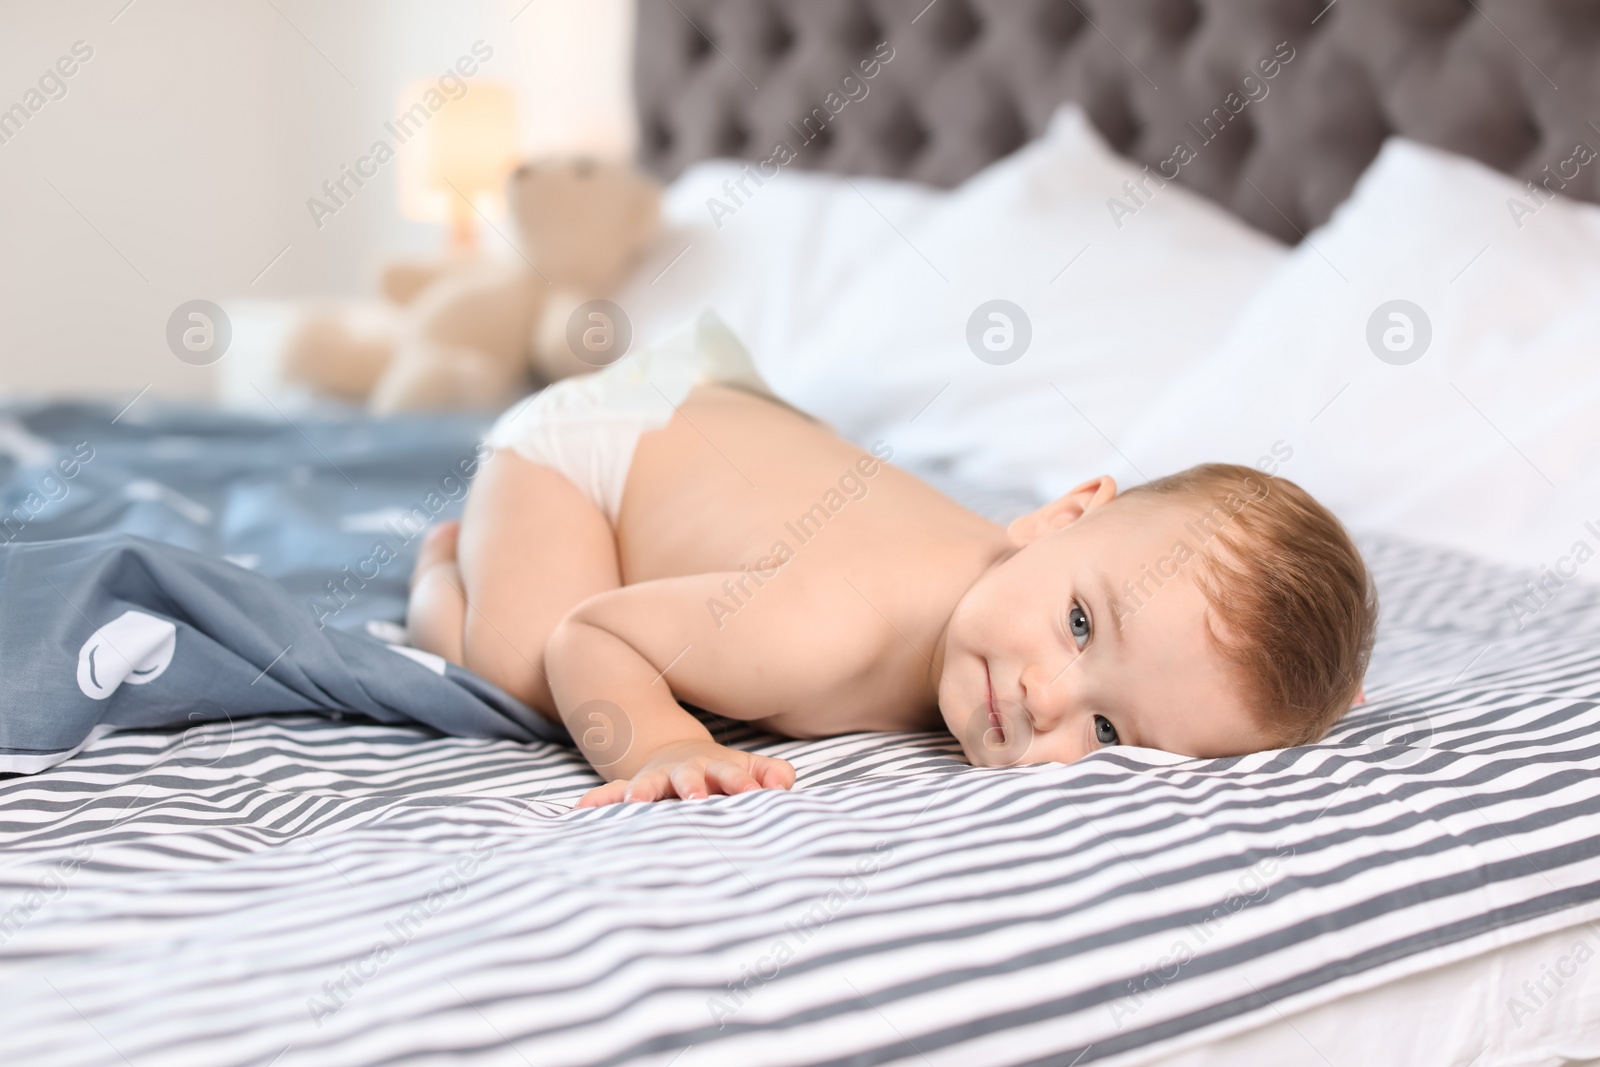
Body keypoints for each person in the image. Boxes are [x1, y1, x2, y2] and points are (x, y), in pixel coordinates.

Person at [407, 313, 1376, 807]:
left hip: (740, 425)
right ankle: (439, 565)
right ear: (1061, 514)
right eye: (1080, 624)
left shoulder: (1024, 586)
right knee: (527, 667)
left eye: (1111, 731)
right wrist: (664, 745)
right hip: (603, 440)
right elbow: (596, 631)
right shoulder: (816, 630)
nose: (1045, 700)